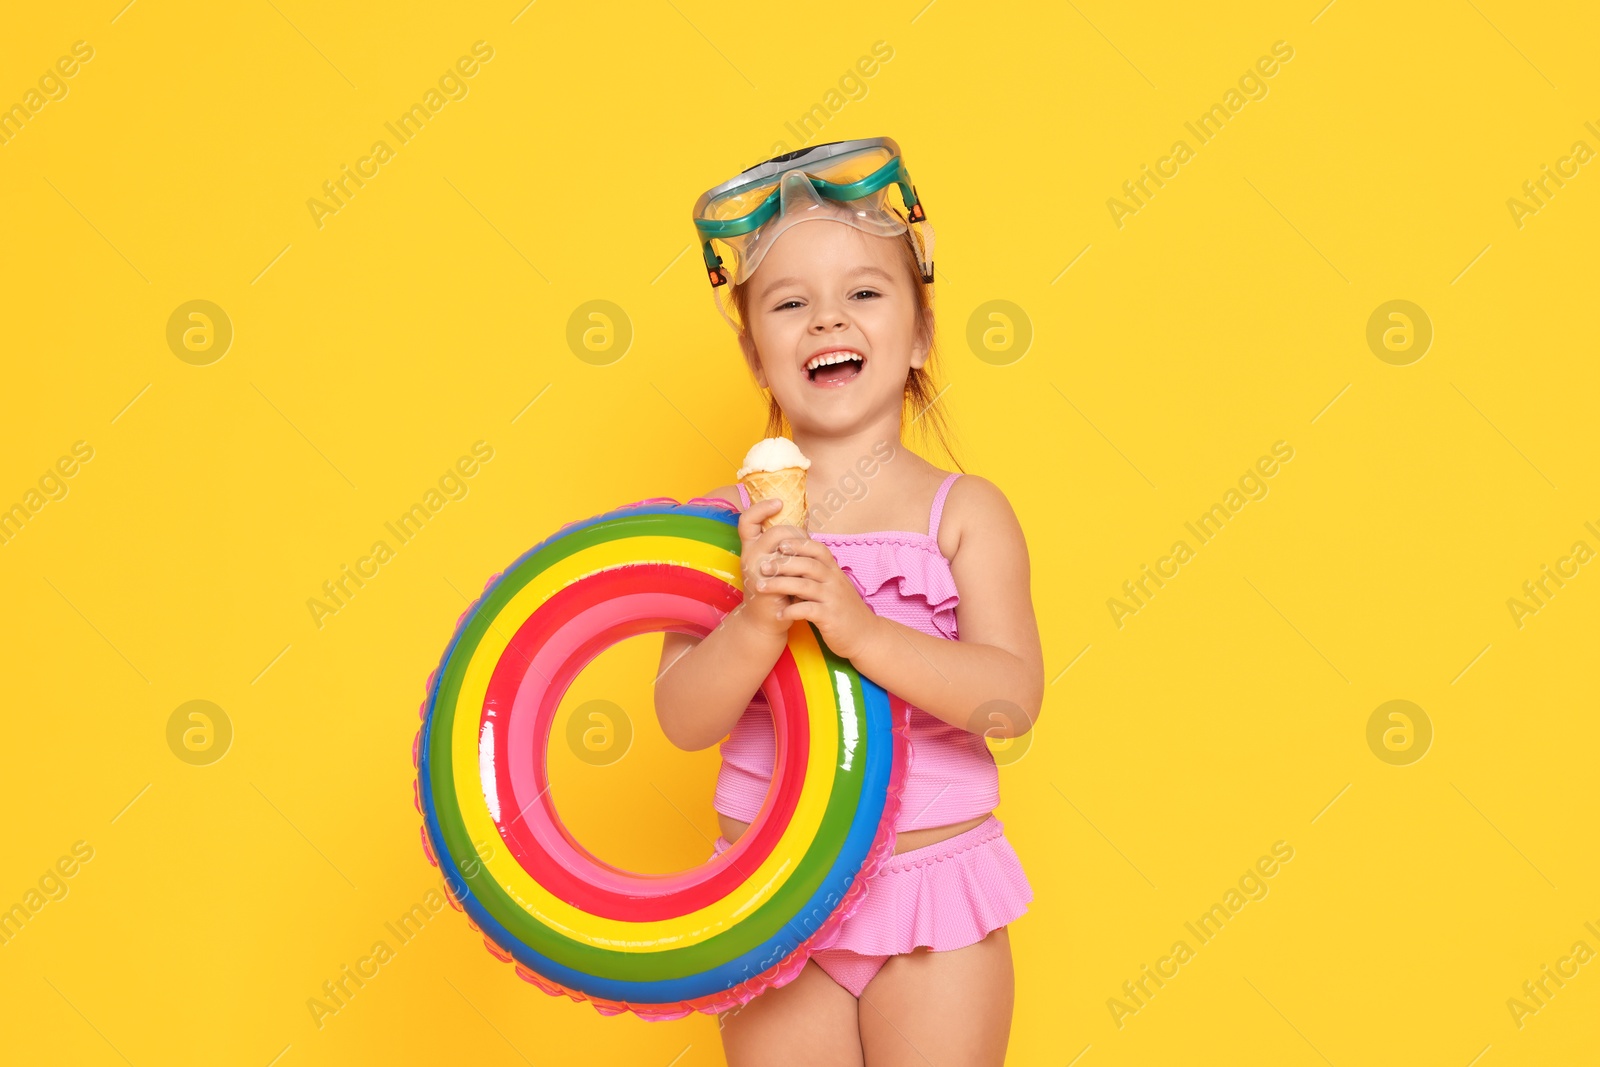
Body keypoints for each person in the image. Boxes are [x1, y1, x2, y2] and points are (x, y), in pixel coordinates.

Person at [655, 138, 1043, 1066]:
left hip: (930, 903)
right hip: (775, 893)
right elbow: (680, 716)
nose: (828, 318)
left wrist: (861, 629)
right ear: (757, 356)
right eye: (791, 304)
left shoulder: (965, 512)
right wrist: (757, 618)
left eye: (865, 293)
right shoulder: (719, 530)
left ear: (917, 334)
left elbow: (1010, 698)